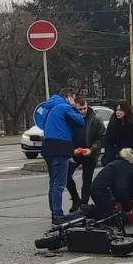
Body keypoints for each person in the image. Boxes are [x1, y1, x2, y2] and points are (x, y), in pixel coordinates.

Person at [39, 88, 87, 225]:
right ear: (69, 96)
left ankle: (54, 213)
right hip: (59, 148)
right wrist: (74, 108)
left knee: (53, 183)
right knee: (59, 184)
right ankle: (58, 215)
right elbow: (80, 120)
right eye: (73, 98)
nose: (74, 101)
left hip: (47, 147)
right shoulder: (64, 107)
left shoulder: (48, 108)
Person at [86, 146, 133, 221]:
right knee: (119, 219)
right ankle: (87, 211)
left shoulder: (125, 164)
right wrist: (128, 208)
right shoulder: (127, 167)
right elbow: (121, 190)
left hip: (102, 190)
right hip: (102, 192)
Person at [67, 100, 105, 212]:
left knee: (87, 179)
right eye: (80, 109)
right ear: (75, 108)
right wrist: (70, 150)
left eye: (84, 108)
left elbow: (102, 137)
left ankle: (84, 204)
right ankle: (75, 199)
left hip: (89, 153)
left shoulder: (95, 119)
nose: (83, 111)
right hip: (75, 152)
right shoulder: (71, 118)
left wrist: (92, 149)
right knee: (65, 176)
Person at [102, 101, 133, 166]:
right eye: (116, 110)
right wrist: (109, 157)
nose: (118, 112)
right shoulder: (113, 123)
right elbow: (108, 141)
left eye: (120, 110)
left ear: (126, 111)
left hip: (129, 154)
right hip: (115, 155)